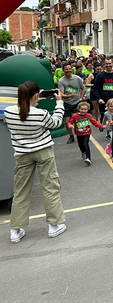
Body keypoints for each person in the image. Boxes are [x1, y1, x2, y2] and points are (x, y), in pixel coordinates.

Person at [5, 82, 67, 243]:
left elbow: (23, 112)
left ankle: (15, 229)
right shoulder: (40, 113)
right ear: (35, 95)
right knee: (50, 187)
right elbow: (56, 123)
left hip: (22, 154)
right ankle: (54, 225)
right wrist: (59, 103)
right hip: (43, 151)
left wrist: (33, 99)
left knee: (21, 191)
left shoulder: (9, 112)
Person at [67, 101, 105, 165]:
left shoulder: (88, 116)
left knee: (85, 143)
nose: (83, 111)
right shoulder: (75, 116)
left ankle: (88, 158)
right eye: (82, 109)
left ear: (88, 109)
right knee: (80, 145)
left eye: (85, 109)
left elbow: (94, 122)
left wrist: (102, 126)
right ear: (78, 109)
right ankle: (83, 152)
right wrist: (69, 125)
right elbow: (70, 122)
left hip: (87, 132)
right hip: (79, 133)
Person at [58, 63, 85, 144]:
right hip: (67, 103)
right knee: (67, 122)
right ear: (63, 70)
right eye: (66, 69)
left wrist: (82, 97)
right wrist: (70, 95)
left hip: (77, 102)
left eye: (69, 69)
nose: (68, 71)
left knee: (79, 120)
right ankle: (71, 136)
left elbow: (82, 88)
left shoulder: (77, 78)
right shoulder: (61, 81)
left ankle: (82, 135)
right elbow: (61, 94)